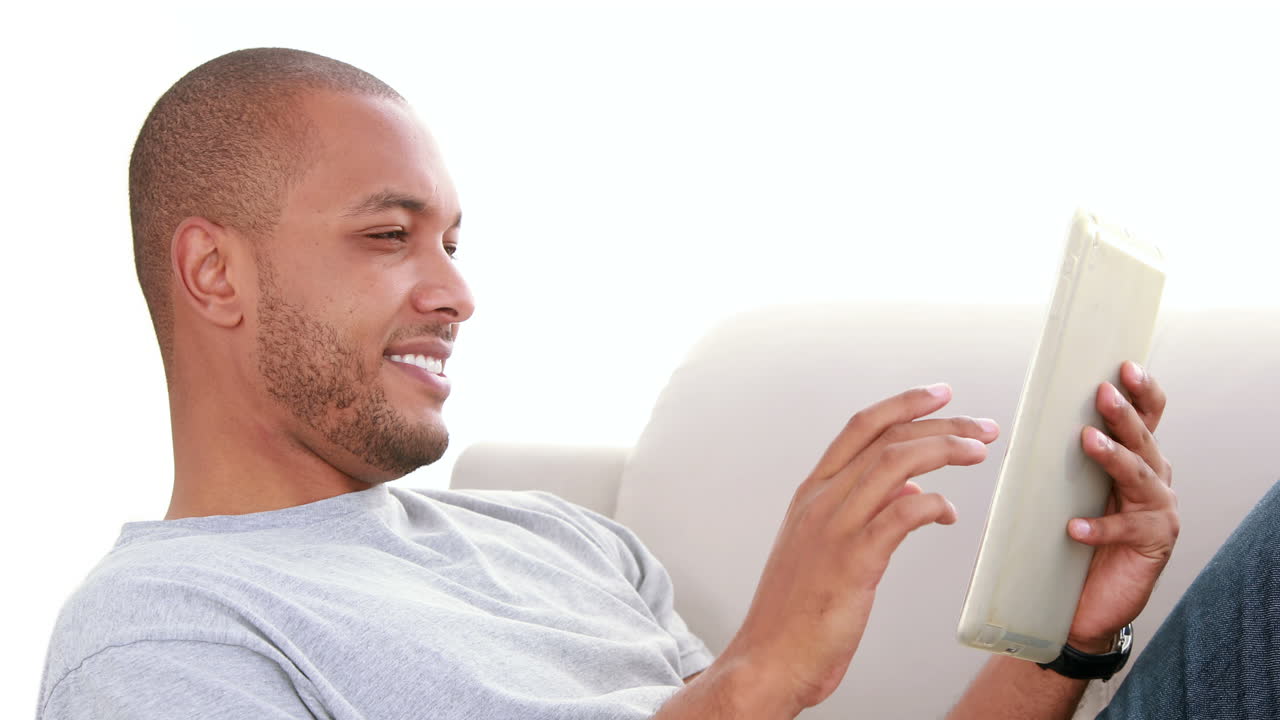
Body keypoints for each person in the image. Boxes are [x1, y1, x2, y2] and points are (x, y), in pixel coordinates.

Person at [35, 48, 1182, 719]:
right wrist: (746, 685)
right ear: (213, 272)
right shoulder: (155, 636)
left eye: (451, 242)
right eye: (389, 236)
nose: (453, 293)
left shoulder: (565, 546)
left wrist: (1059, 645)